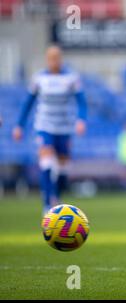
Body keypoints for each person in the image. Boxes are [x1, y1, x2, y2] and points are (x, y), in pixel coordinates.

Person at [12, 45, 87, 215]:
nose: (54, 61)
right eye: (51, 58)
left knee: (63, 170)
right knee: (46, 162)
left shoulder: (71, 78)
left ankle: (57, 199)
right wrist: (19, 125)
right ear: (47, 60)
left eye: (57, 57)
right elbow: (28, 103)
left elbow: (82, 101)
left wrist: (81, 119)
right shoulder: (39, 78)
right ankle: (48, 204)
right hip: (44, 126)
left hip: (65, 127)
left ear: (61, 59)